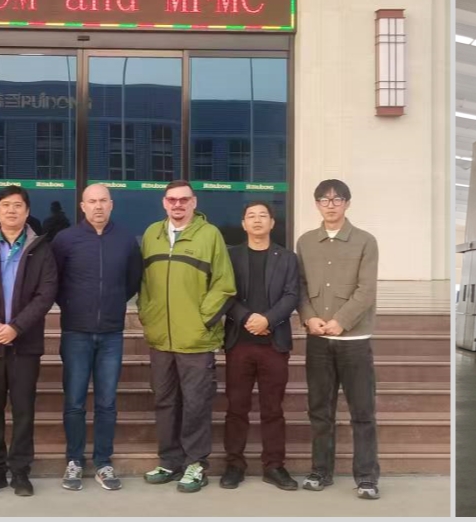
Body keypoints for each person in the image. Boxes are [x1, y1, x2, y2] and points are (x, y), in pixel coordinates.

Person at [137, 180, 233, 494]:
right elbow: (144, 283)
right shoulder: (152, 234)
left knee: (196, 403)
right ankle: (169, 460)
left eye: (184, 200)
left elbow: (224, 284)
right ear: (164, 203)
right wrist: (148, 315)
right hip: (161, 338)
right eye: (172, 200)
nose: (178, 205)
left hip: (196, 339)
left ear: (194, 202)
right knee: (164, 401)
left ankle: (195, 464)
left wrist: (202, 320)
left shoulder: (210, 235)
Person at [0, 186, 58, 497]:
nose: (11, 211)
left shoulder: (41, 249)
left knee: (23, 408)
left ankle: (20, 471)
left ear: (27, 212)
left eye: (18, 205)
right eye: (6, 205)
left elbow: (46, 294)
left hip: (25, 343)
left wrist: (17, 327)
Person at [51, 182, 142, 491]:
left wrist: (113, 304)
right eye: (92, 201)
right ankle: (74, 461)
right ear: (82, 206)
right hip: (75, 332)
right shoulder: (65, 240)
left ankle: (103, 462)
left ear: (112, 204)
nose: (98, 206)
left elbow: (132, 281)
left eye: (104, 200)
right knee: (74, 401)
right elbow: (56, 283)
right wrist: (75, 307)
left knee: (106, 402)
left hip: (112, 334)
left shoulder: (126, 240)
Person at [296, 178, 381, 499]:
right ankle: (320, 471)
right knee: (320, 410)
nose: (330, 205)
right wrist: (309, 317)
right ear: (316, 204)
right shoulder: (305, 242)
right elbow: (300, 285)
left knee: (362, 412)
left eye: (337, 199)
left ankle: (367, 477)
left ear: (347, 203)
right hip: (317, 338)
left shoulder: (365, 241)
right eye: (324, 200)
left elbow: (367, 289)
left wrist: (341, 321)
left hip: (354, 341)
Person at [220, 201, 299, 491]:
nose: (256, 221)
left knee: (273, 409)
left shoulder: (287, 258)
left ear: (271, 223)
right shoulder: (230, 257)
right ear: (243, 223)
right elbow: (225, 295)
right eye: (250, 216)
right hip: (239, 343)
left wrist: (267, 319)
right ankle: (234, 465)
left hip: (273, 344)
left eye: (262, 216)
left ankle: (274, 466)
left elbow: (292, 295)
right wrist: (245, 318)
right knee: (236, 408)